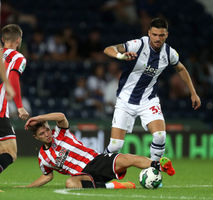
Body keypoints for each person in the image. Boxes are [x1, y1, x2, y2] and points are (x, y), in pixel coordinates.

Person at [103, 18, 201, 161]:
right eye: (154, 34)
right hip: (125, 100)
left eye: (161, 35)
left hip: (148, 100)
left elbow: (180, 68)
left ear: (166, 35)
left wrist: (193, 93)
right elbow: (108, 49)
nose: (157, 38)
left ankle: (155, 170)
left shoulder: (169, 53)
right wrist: (121, 56)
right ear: (149, 33)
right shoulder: (138, 45)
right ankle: (98, 169)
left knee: (160, 136)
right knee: (115, 146)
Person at [23, 112, 175, 189]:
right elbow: (47, 176)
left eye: (47, 130)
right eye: (42, 134)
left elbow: (61, 116)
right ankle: (115, 186)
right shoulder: (43, 157)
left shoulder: (60, 133)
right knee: (70, 183)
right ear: (36, 138)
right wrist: (27, 187)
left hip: (97, 160)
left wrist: (38, 117)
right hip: (84, 175)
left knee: (128, 158)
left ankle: (159, 166)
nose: (47, 134)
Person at [0, 24, 29, 174]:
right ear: (18, 40)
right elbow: (12, 78)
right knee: (10, 153)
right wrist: (19, 106)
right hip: (0, 111)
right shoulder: (18, 57)